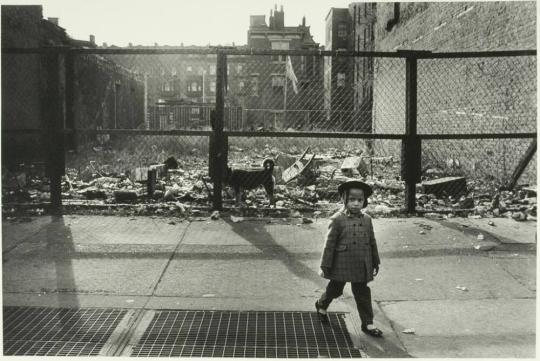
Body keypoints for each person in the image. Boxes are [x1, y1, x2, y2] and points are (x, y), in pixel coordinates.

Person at [315, 179, 383, 337]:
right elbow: (329, 244)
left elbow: (372, 242)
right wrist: (325, 265)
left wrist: (375, 261)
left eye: (360, 200)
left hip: (361, 263)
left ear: (364, 201)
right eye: (352, 200)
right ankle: (321, 304)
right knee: (335, 289)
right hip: (341, 263)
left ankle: (368, 323)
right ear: (344, 200)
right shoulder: (337, 219)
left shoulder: (367, 219)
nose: (356, 204)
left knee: (363, 294)